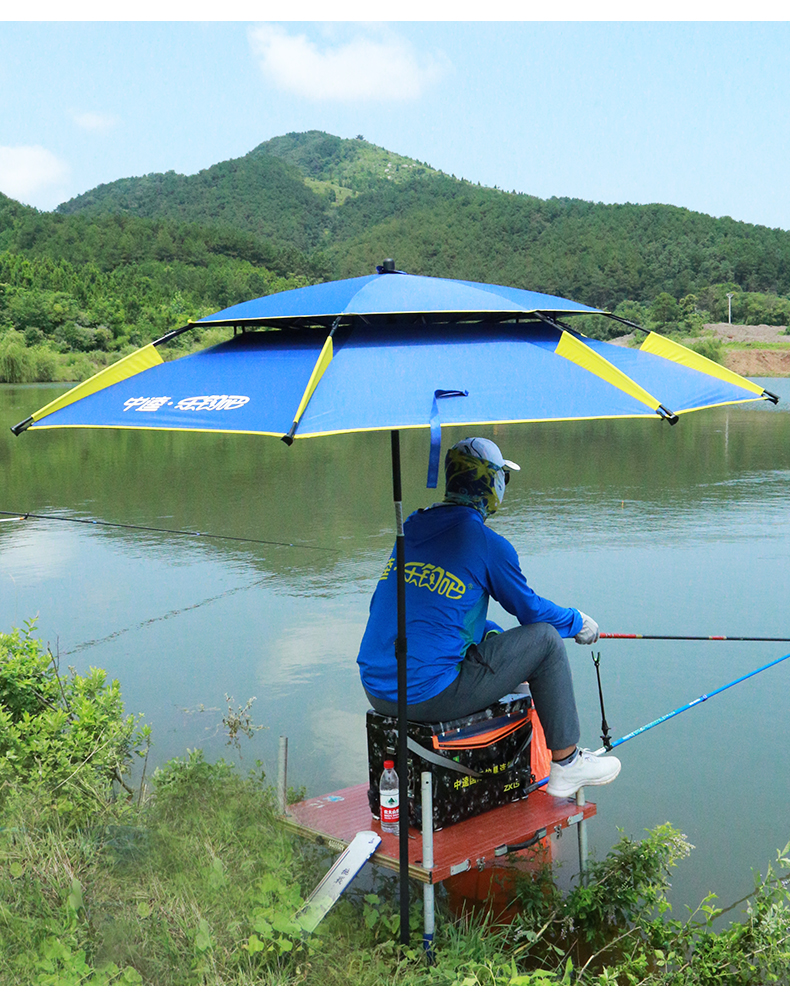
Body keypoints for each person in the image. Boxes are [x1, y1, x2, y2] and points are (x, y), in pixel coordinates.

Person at [357, 437, 621, 798]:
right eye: (503, 480)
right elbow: (531, 612)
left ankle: (522, 696)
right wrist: (578, 622)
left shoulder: (414, 527)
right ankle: (568, 762)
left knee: (492, 630)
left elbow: (420, 611)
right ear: (491, 484)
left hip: (378, 689)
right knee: (544, 641)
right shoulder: (487, 543)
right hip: (426, 697)